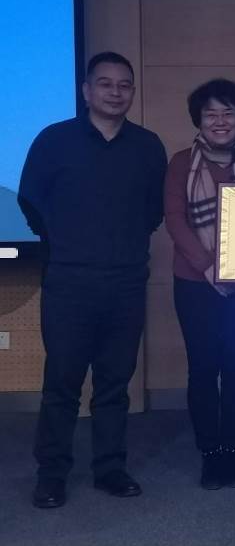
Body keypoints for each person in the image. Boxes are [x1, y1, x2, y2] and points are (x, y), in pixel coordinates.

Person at [19, 52, 167, 508]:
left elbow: (153, 211)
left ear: (132, 92)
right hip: (69, 282)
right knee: (62, 384)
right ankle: (51, 474)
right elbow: (30, 202)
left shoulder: (148, 146)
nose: (115, 92)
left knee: (114, 384)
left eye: (124, 85)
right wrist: (64, 242)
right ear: (86, 91)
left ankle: (110, 468)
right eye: (105, 84)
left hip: (126, 282)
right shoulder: (54, 140)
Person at [164, 79, 235, 489]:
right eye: (211, 114)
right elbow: (175, 220)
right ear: (199, 120)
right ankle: (209, 452)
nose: (220, 121)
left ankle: (232, 451)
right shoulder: (180, 163)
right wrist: (207, 266)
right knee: (203, 368)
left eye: (228, 113)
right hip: (193, 282)